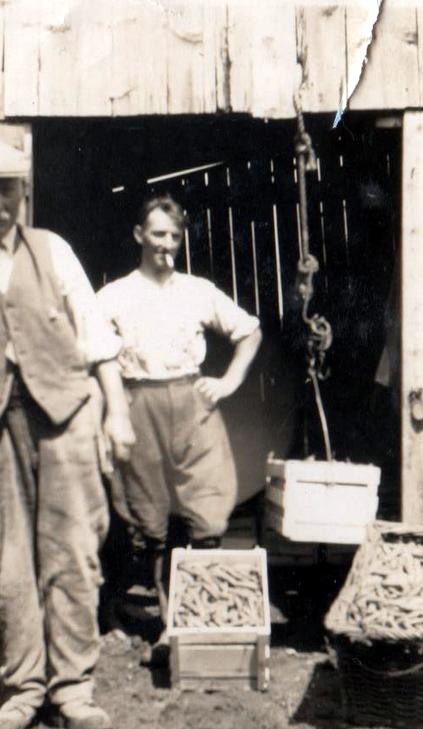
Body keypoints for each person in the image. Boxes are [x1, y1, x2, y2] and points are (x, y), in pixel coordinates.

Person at [0, 137, 135, 729]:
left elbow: (97, 342)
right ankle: (24, 689)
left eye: (5, 189)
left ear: (23, 192)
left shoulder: (53, 251)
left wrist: (116, 414)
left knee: (73, 549)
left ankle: (73, 689)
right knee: (7, 558)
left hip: (64, 413)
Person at [95, 194, 262, 641]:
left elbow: (249, 331)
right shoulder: (115, 296)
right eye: (158, 234)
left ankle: (196, 616)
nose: (167, 244)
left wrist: (227, 382)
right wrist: (111, 414)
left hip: (190, 402)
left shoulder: (197, 291)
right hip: (137, 405)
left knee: (207, 511)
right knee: (147, 521)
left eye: (174, 235)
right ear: (139, 236)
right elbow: (94, 355)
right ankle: (158, 615)